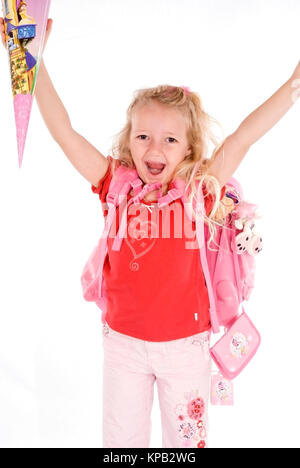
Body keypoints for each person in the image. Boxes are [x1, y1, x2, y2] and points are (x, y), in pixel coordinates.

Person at [1, 17, 299, 449]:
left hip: (184, 349)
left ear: (191, 148)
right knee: (121, 447)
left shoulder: (200, 189)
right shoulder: (114, 185)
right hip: (123, 347)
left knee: (185, 447)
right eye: (143, 136)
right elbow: (65, 134)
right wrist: (35, 59)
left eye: (170, 140)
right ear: (129, 140)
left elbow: (242, 137)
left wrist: (293, 85)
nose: (154, 149)